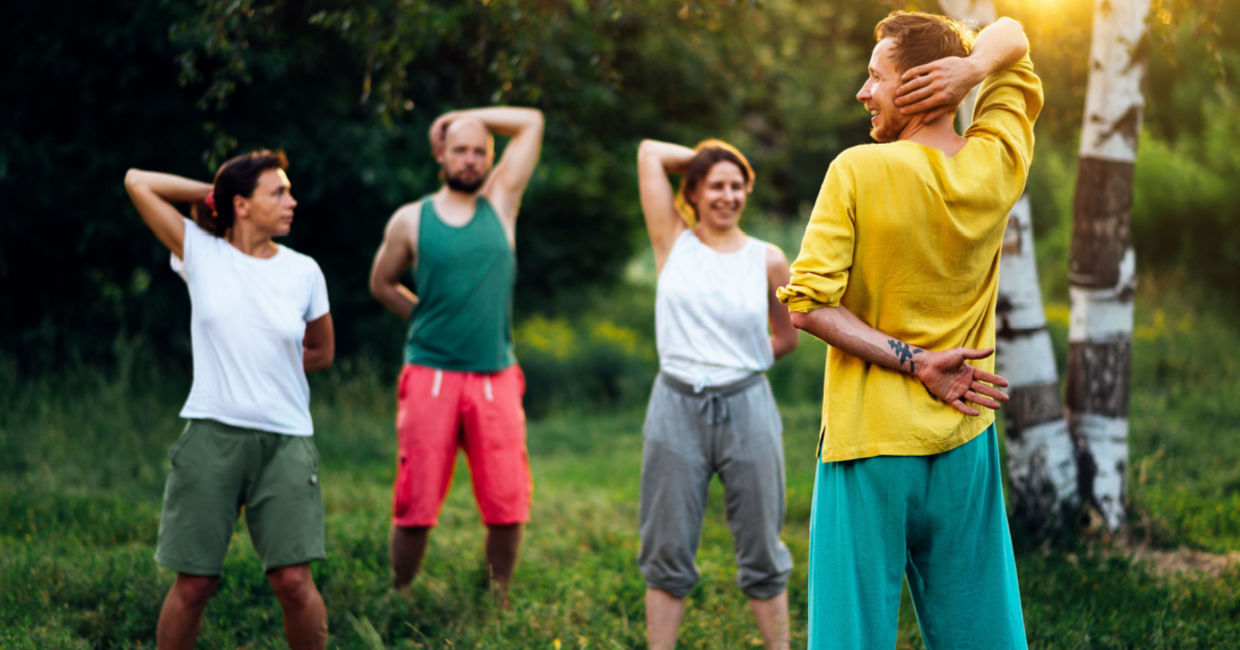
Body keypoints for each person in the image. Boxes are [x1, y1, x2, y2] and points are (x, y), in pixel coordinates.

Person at [776, 12, 1042, 649]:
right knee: (984, 634)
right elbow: (1014, 36)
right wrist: (973, 69)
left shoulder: (857, 170)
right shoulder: (998, 163)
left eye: (875, 77)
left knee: (851, 635)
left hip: (869, 442)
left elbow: (808, 305)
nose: (862, 93)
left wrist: (916, 361)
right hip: (965, 436)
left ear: (921, 84)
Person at [124, 150, 334, 650]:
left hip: (286, 441)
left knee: (294, 584)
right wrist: (212, 193)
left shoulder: (304, 271)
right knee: (195, 584)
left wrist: (269, 366)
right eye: (277, 192)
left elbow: (322, 351)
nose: (291, 201)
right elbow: (137, 182)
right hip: (210, 437)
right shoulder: (202, 254)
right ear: (241, 204)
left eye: (289, 190)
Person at [369, 106, 544, 603]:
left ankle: (498, 598)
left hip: (496, 375)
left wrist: (459, 115)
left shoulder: (502, 203)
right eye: (460, 149)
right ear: (440, 154)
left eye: (479, 152)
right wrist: (427, 319)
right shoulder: (411, 219)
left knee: (508, 501)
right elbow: (382, 283)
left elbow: (531, 122)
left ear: (490, 159)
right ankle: (399, 595)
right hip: (430, 374)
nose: (470, 160)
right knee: (416, 500)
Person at [635, 138, 800, 650]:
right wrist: (708, 156)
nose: (727, 196)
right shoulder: (671, 240)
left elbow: (788, 335)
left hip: (747, 405)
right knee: (665, 541)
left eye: (736, 185)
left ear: (747, 191)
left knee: (760, 541)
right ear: (694, 193)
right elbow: (647, 154)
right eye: (716, 186)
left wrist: (739, 365)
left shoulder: (768, 260)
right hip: (674, 405)